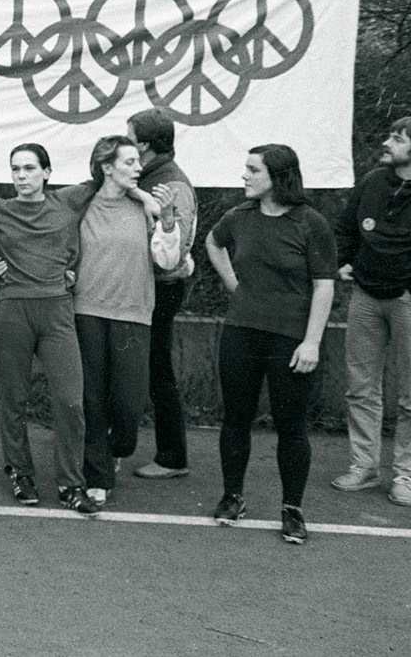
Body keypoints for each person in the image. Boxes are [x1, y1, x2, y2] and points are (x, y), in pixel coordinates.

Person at [205, 144, 336, 544]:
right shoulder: (239, 216)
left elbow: (324, 285)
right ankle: (232, 497)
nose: (244, 176)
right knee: (235, 418)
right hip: (241, 332)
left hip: (290, 339)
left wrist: (311, 342)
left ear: (278, 177)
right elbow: (213, 242)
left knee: (291, 426)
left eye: (253, 170)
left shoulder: (311, 223)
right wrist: (234, 285)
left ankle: (292, 509)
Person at [0, 144, 100, 514]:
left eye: (30, 168)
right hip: (14, 310)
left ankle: (71, 484)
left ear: (46, 172)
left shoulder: (67, 201)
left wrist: (148, 198)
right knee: (14, 398)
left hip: (57, 310)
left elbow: (107, 174)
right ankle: (20, 472)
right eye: (15, 169)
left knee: (70, 401)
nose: (21, 176)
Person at [73, 136, 182, 507]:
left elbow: (167, 261)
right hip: (86, 311)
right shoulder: (82, 204)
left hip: (134, 314)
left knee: (128, 403)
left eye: (139, 161)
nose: (139, 168)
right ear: (107, 167)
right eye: (130, 162)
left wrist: (167, 219)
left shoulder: (146, 207)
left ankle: (117, 447)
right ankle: (97, 475)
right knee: (92, 399)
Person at [331, 118, 411, 506]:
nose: (386, 143)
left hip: (407, 300)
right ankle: (364, 465)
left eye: (397, 138)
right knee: (361, 386)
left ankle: (406, 474)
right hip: (365, 296)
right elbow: (346, 228)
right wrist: (343, 262)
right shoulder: (373, 182)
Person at [127, 108, 198, 481]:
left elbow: (176, 250)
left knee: (157, 372)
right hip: (147, 287)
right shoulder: (151, 177)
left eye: (129, 137)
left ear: (144, 145)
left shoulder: (171, 185)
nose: (125, 145)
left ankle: (172, 456)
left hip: (160, 288)